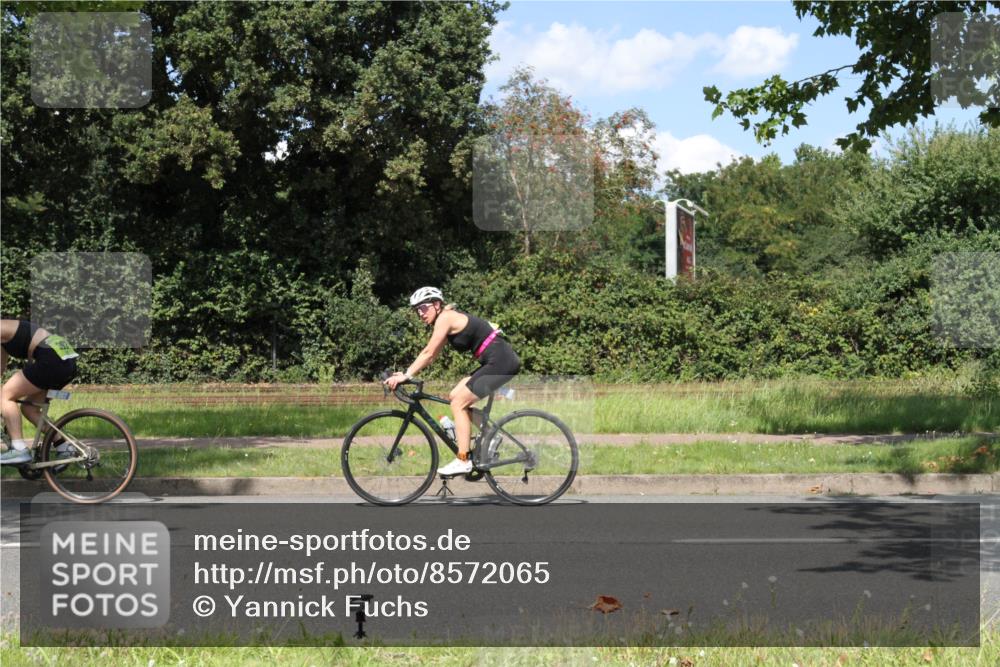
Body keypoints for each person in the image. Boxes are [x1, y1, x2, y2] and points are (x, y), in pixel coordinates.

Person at [385, 287, 520, 476]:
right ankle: (492, 436)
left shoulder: (445, 318)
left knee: (458, 403)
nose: (420, 313)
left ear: (437, 304)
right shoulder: (444, 320)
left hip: (501, 361)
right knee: (455, 396)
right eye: (417, 310)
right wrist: (407, 373)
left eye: (423, 308)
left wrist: (406, 375)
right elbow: (432, 355)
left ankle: (463, 459)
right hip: (496, 360)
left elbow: (428, 353)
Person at [1, 318, 78, 464]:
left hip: (51, 359)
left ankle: (18, 449)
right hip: (65, 359)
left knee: (6, 395)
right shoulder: (3, 335)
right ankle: (63, 446)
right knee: (29, 409)